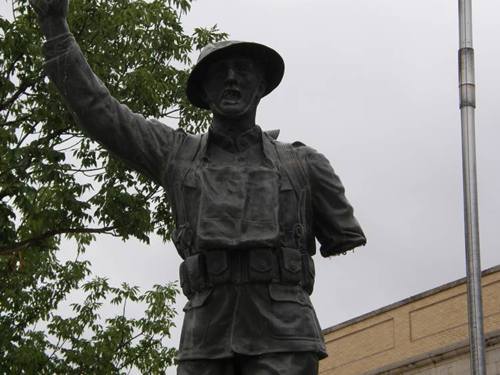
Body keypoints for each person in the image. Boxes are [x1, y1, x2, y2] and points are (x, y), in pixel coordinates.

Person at [30, 0, 366, 373]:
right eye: (220, 73)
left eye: (243, 71)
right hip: (206, 338)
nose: (232, 79)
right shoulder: (176, 154)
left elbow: (342, 234)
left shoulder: (304, 164)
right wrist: (55, 26)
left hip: (287, 337)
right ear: (204, 91)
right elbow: (101, 111)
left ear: (261, 85)